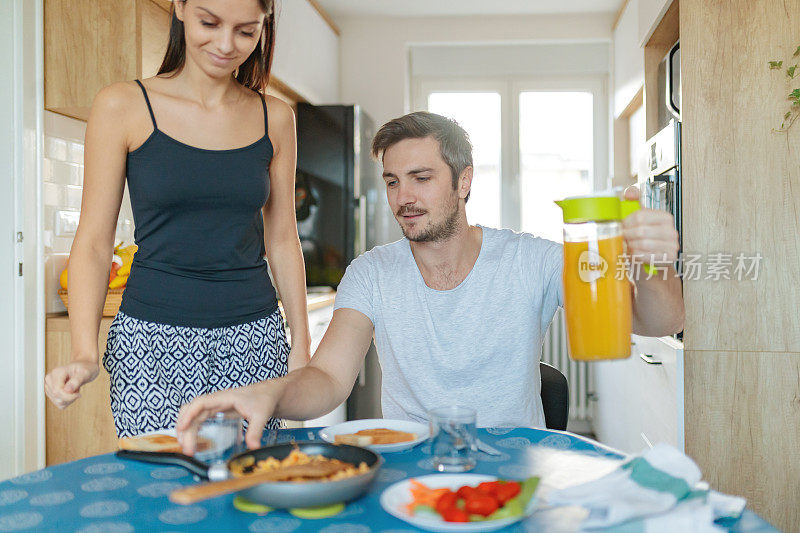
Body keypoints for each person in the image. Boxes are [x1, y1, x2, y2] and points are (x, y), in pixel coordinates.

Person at [176, 111, 684, 452]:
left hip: (513, 473)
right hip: (411, 472)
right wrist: (272, 394)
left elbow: (662, 318)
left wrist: (655, 265)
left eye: (422, 178)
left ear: (463, 181)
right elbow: (328, 378)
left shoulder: (531, 260)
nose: (404, 197)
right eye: (393, 182)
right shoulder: (372, 272)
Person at [43, 0, 310, 437]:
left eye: (246, 31)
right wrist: (84, 353)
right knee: (159, 492)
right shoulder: (122, 106)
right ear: (181, 7)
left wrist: (300, 344)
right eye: (209, 22)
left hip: (255, 341)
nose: (226, 44)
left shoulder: (276, 117)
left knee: (247, 489)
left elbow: (282, 240)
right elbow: (93, 242)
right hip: (150, 343)